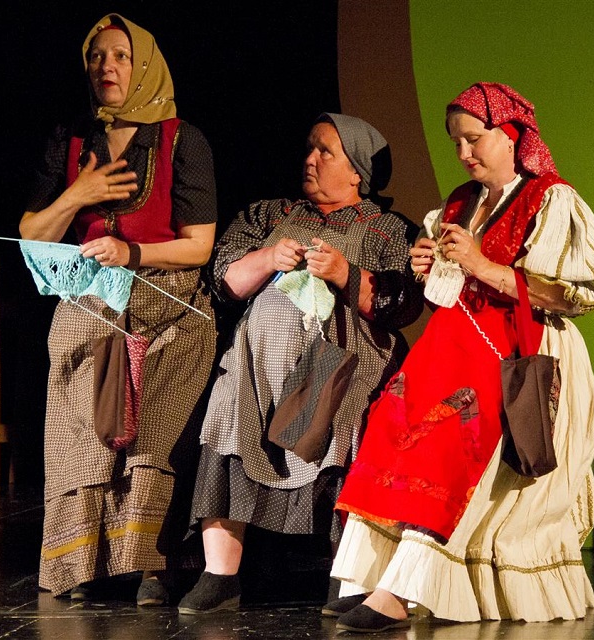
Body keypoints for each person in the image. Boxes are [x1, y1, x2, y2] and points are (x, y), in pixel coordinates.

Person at [324, 82, 594, 632]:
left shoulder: (549, 198)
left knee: (445, 448)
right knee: (391, 430)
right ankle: (375, 577)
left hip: (519, 354)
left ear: (511, 135)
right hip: (453, 347)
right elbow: (448, 291)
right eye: (456, 142)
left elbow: (571, 297)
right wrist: (429, 267)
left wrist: (482, 265)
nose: (463, 152)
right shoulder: (460, 202)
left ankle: (399, 594)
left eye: (473, 138)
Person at [176, 113, 424, 614]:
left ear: (356, 172)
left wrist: (346, 272)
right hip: (257, 362)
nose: (310, 159)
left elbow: (403, 305)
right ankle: (220, 575)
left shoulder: (389, 229)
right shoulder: (269, 215)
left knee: (344, 432)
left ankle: (347, 576)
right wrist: (268, 258)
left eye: (325, 151)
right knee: (228, 420)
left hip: (335, 364)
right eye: (309, 148)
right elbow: (225, 281)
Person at [19, 14, 218, 606]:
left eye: (121, 56)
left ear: (144, 66)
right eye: (97, 56)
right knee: (82, 434)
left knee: (152, 435)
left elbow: (200, 245)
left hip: (168, 304)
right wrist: (77, 195)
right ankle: (81, 563)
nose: (106, 67)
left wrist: (133, 252)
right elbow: (32, 233)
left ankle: (154, 563)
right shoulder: (71, 139)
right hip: (91, 302)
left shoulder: (181, 140)